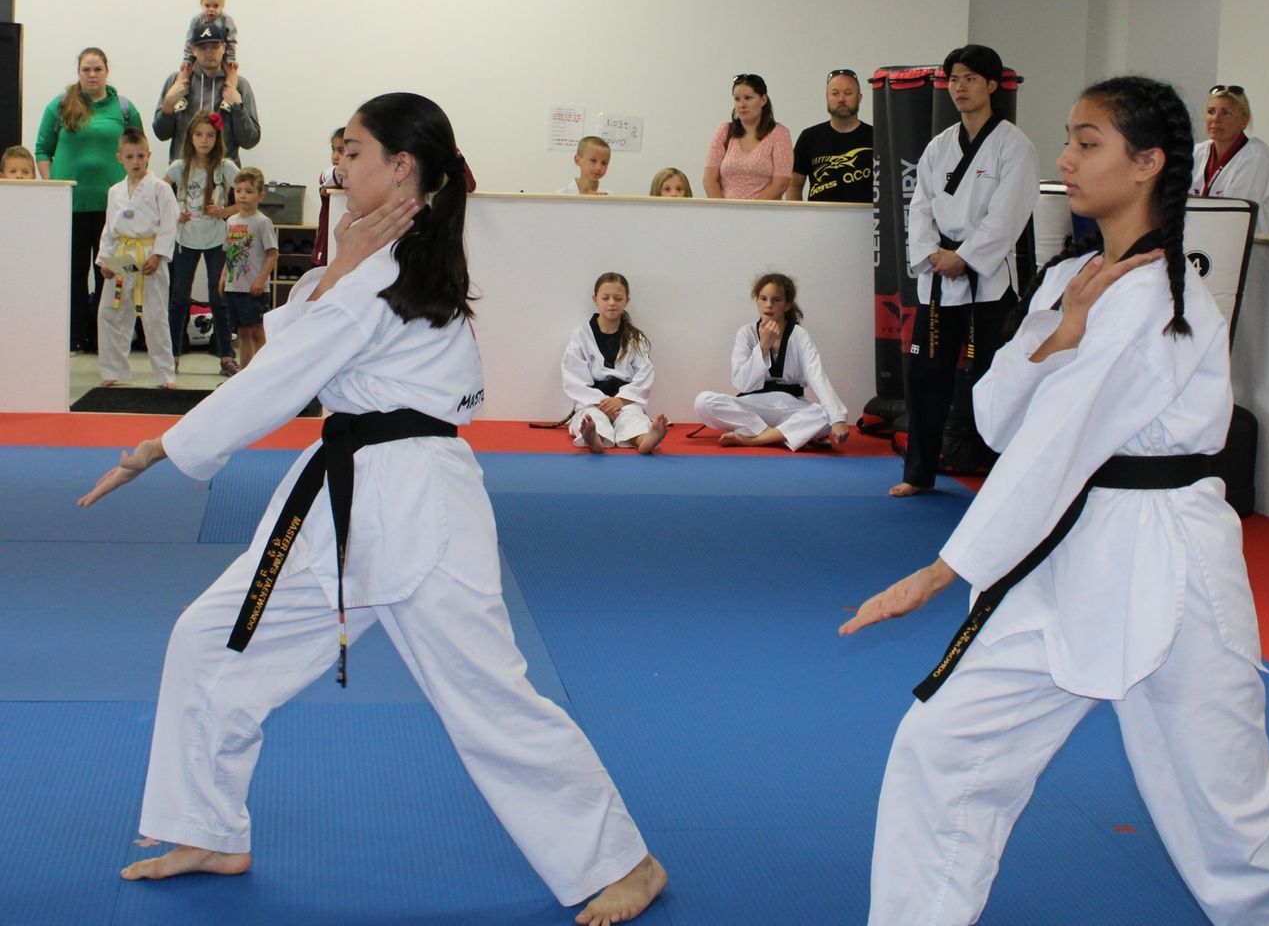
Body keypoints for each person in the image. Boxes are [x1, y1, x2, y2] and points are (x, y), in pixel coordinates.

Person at [75, 92, 668, 926]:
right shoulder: (377, 259)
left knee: (488, 696)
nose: (337, 163)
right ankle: (206, 826)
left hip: (418, 507)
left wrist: (160, 447)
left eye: (352, 150)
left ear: (402, 168)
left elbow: (286, 374)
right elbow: (304, 345)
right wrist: (341, 266)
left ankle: (625, 862)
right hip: (344, 502)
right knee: (211, 641)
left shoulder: (392, 263)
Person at [841, 75, 1269, 926]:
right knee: (944, 749)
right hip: (1063, 553)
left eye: (1088, 143)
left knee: (1229, 822)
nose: (1067, 159)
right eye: (1069, 139)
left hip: (1167, 560)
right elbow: (999, 417)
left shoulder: (1166, 294)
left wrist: (940, 572)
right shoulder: (1071, 280)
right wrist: (1059, 334)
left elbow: (1058, 442)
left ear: (1149, 164)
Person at [890, 45, 1038, 498]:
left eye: (971, 78)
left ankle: (1002, 478)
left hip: (988, 284)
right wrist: (932, 254)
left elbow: (1007, 216)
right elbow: (920, 207)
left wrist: (966, 257)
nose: (960, 87)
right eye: (954, 79)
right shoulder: (938, 146)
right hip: (938, 280)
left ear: (993, 84)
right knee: (925, 378)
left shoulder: (1014, 146)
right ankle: (918, 474)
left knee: (991, 380)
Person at [35, 46, 145, 352]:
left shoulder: (123, 108)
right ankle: (75, 335)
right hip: (70, 206)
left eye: (97, 69)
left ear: (107, 71)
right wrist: (53, 185)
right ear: (79, 73)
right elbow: (43, 148)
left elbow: (139, 149)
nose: (92, 75)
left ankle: (104, 338)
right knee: (73, 272)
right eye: (86, 69)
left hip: (115, 209)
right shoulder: (59, 106)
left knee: (110, 274)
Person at [693, 272, 849, 450]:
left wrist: (837, 418)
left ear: (787, 305)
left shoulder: (798, 336)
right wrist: (763, 347)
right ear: (756, 300)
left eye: (776, 300)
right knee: (703, 402)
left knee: (825, 415)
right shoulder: (746, 333)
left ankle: (754, 439)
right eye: (763, 298)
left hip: (790, 407)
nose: (769, 305)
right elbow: (742, 384)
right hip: (753, 406)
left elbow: (817, 375)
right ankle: (780, 435)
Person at [96, 128, 179, 389]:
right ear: (119, 157)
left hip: (148, 257)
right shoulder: (114, 191)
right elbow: (109, 228)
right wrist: (104, 260)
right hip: (121, 256)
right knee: (110, 313)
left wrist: (158, 255)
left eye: (140, 156)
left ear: (149, 156)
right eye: (130, 156)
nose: (135, 161)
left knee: (155, 316)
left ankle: (165, 375)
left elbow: (169, 224)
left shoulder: (161, 189)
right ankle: (112, 370)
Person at [165, 111, 240, 376]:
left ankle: (226, 356)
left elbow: (247, 197)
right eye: (199, 134)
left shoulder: (225, 167)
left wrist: (224, 211)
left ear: (217, 137)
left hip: (216, 239)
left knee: (219, 297)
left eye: (210, 135)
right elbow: (159, 194)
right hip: (185, 239)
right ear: (191, 137)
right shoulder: (179, 166)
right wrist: (175, 212)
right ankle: (172, 354)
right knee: (178, 298)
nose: (204, 140)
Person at [562, 272, 669, 454]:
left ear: (627, 300)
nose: (612, 302)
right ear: (595, 299)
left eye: (618, 298)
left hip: (625, 401)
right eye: (606, 297)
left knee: (633, 418)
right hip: (593, 401)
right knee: (590, 417)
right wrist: (602, 402)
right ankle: (594, 438)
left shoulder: (635, 338)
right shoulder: (580, 336)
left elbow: (645, 374)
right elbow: (573, 378)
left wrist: (620, 401)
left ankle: (646, 440)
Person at [155, 17, 260, 164]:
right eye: (203, 47)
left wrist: (237, 107)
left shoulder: (239, 86)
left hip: (225, 179)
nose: (209, 52)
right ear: (193, 50)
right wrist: (168, 105)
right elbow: (161, 134)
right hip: (183, 178)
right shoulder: (176, 82)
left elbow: (250, 141)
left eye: (214, 47)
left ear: (223, 47)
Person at [1192, 83, 1269, 236]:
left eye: (1226, 113)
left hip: (1253, 248)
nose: (1216, 119)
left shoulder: (1256, 156)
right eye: (1211, 111)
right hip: (1205, 238)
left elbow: (1234, 214)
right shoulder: (1196, 152)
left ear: (1243, 121)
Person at [219, 167, 278, 370]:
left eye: (249, 191)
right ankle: (245, 374)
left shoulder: (262, 222)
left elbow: (272, 254)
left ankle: (264, 371)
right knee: (243, 333)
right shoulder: (231, 221)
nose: (242, 195)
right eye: (238, 190)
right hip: (234, 287)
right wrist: (223, 276)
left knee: (257, 331)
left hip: (253, 288)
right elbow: (229, 253)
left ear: (260, 195)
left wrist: (261, 280)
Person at [787, 69, 874, 203]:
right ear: (827, 98)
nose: (841, 99)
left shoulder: (877, 137)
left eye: (848, 93)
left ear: (860, 97)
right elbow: (794, 185)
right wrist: (797, 219)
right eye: (835, 93)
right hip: (820, 220)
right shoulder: (809, 137)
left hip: (865, 220)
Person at [703, 74, 793, 200]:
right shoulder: (724, 131)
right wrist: (723, 209)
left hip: (764, 213)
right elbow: (709, 180)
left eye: (748, 98)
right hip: (726, 213)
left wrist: (751, 211)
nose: (742, 104)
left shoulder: (779, 134)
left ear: (763, 100)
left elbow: (781, 184)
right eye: (737, 99)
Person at [177, 0, 239, 79]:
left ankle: (230, 91)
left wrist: (230, 59)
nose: (211, 9)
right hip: (198, 58)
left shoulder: (226, 21)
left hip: (221, 59)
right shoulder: (197, 20)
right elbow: (189, 41)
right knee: (185, 73)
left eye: (216, 6)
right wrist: (187, 59)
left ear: (222, 6)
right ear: (201, 4)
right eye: (207, 5)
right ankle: (182, 91)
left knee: (231, 75)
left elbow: (231, 42)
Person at [311, 127, 346, 268]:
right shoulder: (329, 175)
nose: (335, 156)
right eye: (333, 150)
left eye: (341, 151)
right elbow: (336, 174)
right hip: (326, 247)